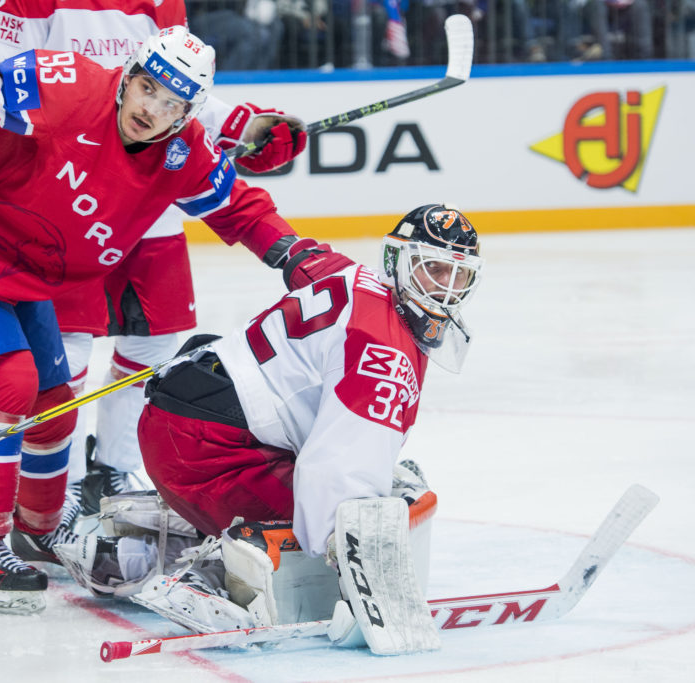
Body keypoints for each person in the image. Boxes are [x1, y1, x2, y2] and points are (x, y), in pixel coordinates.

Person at [0, 27, 333, 615]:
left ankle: (39, 526)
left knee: (53, 399)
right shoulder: (68, 84)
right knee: (9, 383)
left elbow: (240, 210)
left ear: (187, 114)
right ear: (128, 77)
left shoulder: (184, 154)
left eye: (171, 104)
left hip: (18, 263)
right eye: (147, 88)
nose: (151, 110)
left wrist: (299, 255)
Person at [54, 204, 484, 652]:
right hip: (210, 452)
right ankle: (211, 581)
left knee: (356, 493)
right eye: (432, 268)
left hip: (185, 420)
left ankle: (140, 549)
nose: (445, 287)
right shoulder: (384, 352)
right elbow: (336, 475)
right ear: (395, 261)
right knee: (355, 514)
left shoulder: (350, 273)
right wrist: (356, 566)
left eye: (460, 275)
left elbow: (303, 261)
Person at [0, 0, 309, 538]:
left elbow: (172, 81)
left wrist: (239, 126)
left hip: (146, 200)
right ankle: (59, 490)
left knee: (154, 346)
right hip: (65, 192)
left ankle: (113, 470)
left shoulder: (161, 3)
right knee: (64, 359)